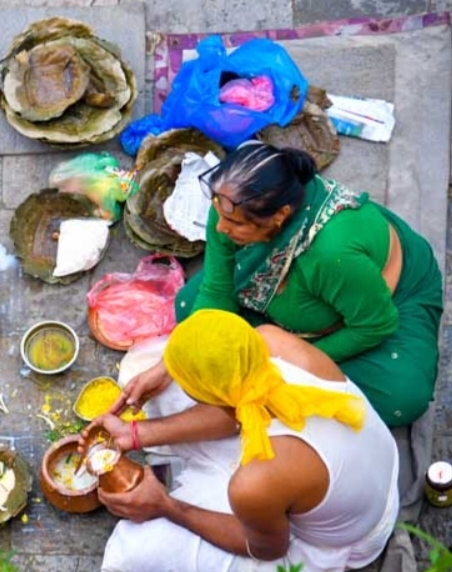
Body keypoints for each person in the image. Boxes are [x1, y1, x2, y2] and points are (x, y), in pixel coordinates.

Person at [129, 142, 442, 427]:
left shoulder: (332, 256)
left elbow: (376, 325)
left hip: (384, 301)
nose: (221, 228)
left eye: (236, 224)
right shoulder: (227, 206)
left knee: (402, 396)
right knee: (191, 310)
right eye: (217, 212)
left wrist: (293, 360)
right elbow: (216, 291)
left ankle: (287, 340)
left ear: (279, 216)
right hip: (313, 292)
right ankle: (281, 330)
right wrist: (168, 365)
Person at [84, 309, 399, 572]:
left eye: (187, 384)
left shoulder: (254, 485)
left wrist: (165, 505)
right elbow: (233, 407)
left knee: (131, 551)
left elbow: (268, 549)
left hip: (340, 538)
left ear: (211, 397)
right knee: (151, 373)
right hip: (357, 474)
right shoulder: (269, 339)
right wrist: (135, 432)